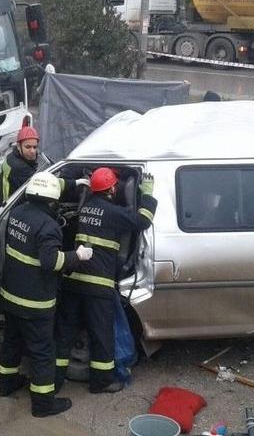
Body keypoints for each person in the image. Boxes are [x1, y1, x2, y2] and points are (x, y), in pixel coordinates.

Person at [0, 172, 94, 417]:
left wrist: (74, 182)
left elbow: (50, 185)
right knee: (42, 352)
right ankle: (43, 404)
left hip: (10, 294)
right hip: (35, 302)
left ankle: (6, 385)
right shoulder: (49, 226)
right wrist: (77, 257)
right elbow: (52, 262)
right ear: (53, 201)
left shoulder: (17, 213)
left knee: (12, 341)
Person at [55, 168, 158, 394]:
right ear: (112, 189)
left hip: (74, 281)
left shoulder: (84, 209)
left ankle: (54, 380)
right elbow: (142, 221)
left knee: (65, 333)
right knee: (101, 334)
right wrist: (148, 195)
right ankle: (101, 382)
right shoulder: (113, 212)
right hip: (97, 284)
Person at [0, 126, 88, 204]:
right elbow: (44, 184)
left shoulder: (12, 157)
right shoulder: (19, 167)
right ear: (18, 146)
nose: (32, 151)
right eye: (28, 147)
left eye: (35, 147)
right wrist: (75, 182)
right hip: (14, 209)